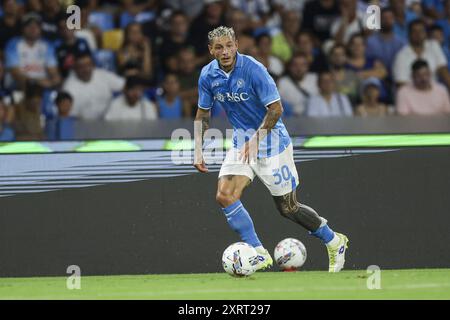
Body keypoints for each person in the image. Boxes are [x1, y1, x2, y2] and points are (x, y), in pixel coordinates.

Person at [193, 26, 349, 273]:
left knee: (288, 208)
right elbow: (203, 113)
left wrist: (256, 138)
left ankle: (333, 240)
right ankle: (258, 251)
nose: (225, 51)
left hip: (272, 143)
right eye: (219, 47)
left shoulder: (254, 70)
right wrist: (198, 148)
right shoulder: (207, 75)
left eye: (229, 45)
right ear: (211, 50)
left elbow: (276, 110)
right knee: (225, 195)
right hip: (241, 144)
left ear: (236, 45)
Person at [5, 13, 61, 90]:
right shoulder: (13, 44)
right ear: (22, 28)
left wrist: (53, 82)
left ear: (40, 28)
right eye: (29, 26)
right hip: (20, 87)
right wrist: (37, 83)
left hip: (43, 88)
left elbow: (54, 73)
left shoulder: (47, 45)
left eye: (36, 26)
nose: (33, 28)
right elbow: (16, 74)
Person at [63, 52, 125, 120]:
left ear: (93, 65)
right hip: (85, 126)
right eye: (81, 67)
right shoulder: (68, 89)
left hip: (109, 121)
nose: (86, 69)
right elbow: (70, 117)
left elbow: (126, 86)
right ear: (75, 69)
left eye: (88, 65)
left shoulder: (102, 75)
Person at [393, 19, 450, 88]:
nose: (418, 34)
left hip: (434, 92)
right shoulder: (401, 56)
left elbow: (443, 70)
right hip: (411, 94)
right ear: (409, 35)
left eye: (421, 31)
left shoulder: (434, 46)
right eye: (415, 31)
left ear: (426, 33)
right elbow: (401, 85)